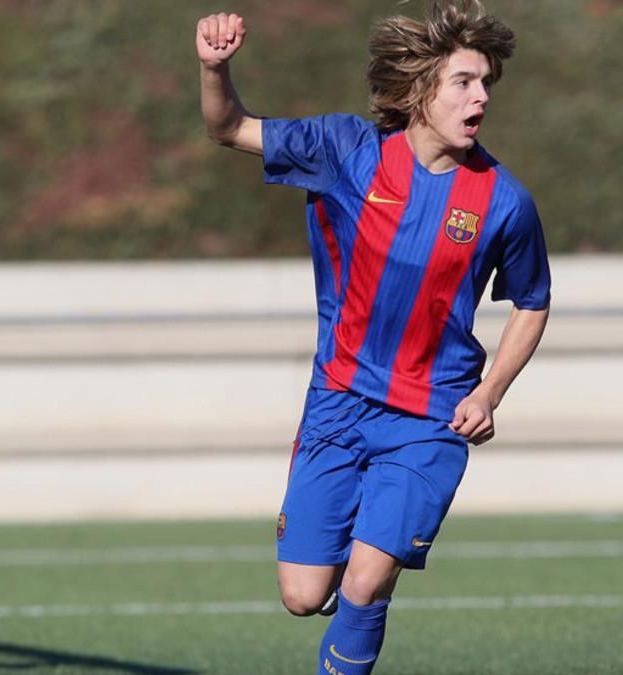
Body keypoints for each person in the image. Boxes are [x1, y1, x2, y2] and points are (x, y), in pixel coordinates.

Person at [196, 2, 551, 672]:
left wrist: (491, 392)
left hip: (430, 415)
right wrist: (216, 69)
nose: (480, 96)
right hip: (337, 401)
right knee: (305, 595)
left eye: (486, 85)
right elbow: (228, 126)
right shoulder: (344, 151)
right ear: (420, 92)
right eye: (464, 82)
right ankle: (347, 595)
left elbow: (532, 302)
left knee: (365, 581)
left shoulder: (504, 200)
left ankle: (362, 615)